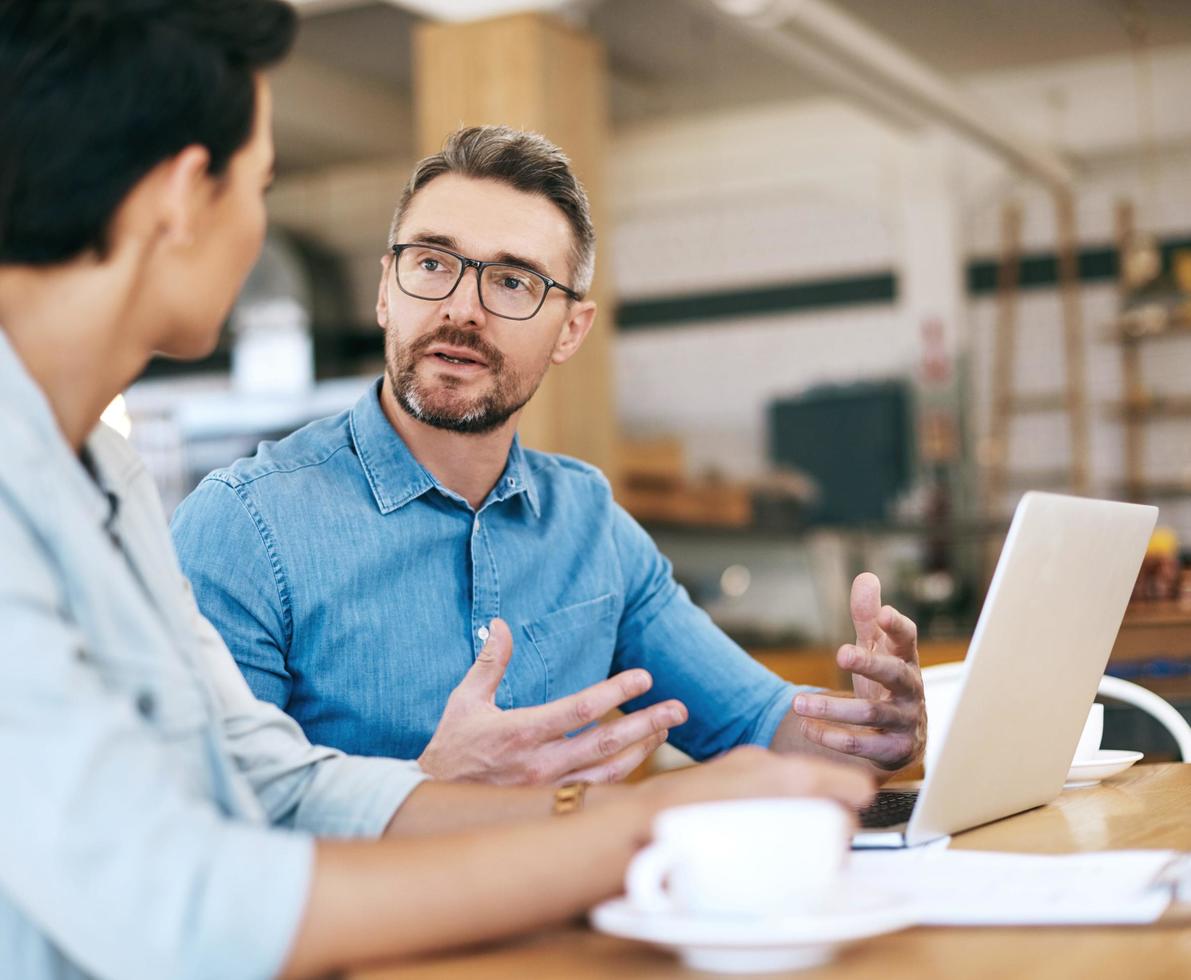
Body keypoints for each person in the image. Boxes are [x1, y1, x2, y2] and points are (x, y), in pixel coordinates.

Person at [0, 3, 877, 978]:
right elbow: (184, 894)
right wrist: (641, 828)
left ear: (570, 325)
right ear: (182, 196)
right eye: (261, 186)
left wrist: (656, 803)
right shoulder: (208, 511)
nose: (257, 232)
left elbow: (281, 784)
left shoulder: (99, 469)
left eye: (512, 282)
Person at [171, 124, 927, 786]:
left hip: (566, 941)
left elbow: (761, 725)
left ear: (570, 330)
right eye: (432, 263)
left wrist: (871, 734)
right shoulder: (243, 527)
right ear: (384, 291)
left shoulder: (589, 524)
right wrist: (428, 785)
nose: (461, 308)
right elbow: (199, 829)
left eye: (512, 281)